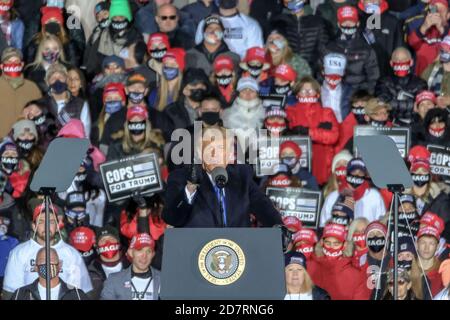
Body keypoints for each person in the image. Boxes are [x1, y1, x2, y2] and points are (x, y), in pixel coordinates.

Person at [163, 126, 282, 227]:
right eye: (210, 149)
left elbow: (263, 206)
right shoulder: (180, 177)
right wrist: (190, 188)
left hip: (239, 249)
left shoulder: (242, 175)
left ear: (230, 153)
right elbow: (172, 218)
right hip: (197, 250)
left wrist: (278, 226)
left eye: (221, 149)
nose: (214, 155)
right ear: (199, 153)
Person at [2, 203, 93, 299]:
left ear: (58, 226)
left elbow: (84, 292)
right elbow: (10, 294)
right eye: (41, 221)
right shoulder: (19, 253)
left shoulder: (72, 254)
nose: (46, 226)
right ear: (33, 226)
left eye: (51, 222)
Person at [287, 76, 339, 185]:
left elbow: (333, 137)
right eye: (303, 90)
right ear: (297, 94)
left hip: (322, 164)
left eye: (310, 90)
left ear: (318, 93)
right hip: (298, 163)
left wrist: (309, 132)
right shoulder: (290, 112)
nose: (307, 93)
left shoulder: (327, 113)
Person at [322, 5, 380, 95]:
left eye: (351, 22)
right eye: (344, 22)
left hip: (358, 96)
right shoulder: (329, 47)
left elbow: (373, 77)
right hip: (334, 94)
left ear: (357, 24)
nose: (348, 25)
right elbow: (320, 72)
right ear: (338, 24)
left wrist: (364, 96)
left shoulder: (366, 49)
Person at [307, 222, 371, 300]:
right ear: (321, 242)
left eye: (336, 244)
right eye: (328, 243)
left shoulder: (356, 274)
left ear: (344, 245)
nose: (331, 247)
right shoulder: (308, 267)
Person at [320, 158, 386, 227]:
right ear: (347, 174)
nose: (357, 175)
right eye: (353, 172)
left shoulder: (374, 196)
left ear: (365, 176)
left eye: (360, 173)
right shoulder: (333, 197)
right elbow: (323, 224)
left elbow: (381, 224)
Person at [270, 0, 329, 73]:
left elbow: (324, 52)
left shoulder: (318, 22)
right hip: (285, 73)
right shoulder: (278, 22)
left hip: (311, 75)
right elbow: (273, 52)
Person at [375, 47, 427, 126]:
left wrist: (393, 103)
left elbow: (422, 106)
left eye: (404, 59)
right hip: (390, 125)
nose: (400, 62)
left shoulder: (420, 83)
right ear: (391, 63)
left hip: (415, 126)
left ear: (411, 62)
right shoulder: (383, 81)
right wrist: (412, 105)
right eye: (397, 59)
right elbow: (383, 103)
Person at [194, 0, 264, 59]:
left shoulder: (250, 24)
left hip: (240, 70)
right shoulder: (205, 23)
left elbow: (255, 55)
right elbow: (200, 50)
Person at [12, 247, 89, 300]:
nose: (48, 265)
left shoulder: (77, 295)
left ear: (59, 265)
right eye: (43, 261)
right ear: (35, 267)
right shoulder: (21, 294)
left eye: (51, 261)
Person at [101, 233, 161, 300]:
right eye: (139, 250)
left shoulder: (163, 279)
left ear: (153, 255)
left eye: (148, 251)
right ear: (130, 252)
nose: (144, 256)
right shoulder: (114, 280)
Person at [37, 63, 92, 136]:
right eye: (53, 78)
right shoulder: (40, 105)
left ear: (66, 79)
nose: (57, 81)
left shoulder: (80, 104)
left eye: (61, 77)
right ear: (47, 82)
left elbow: (86, 134)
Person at [0, 47, 41, 138]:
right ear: (2, 66)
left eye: (16, 61)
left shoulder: (32, 87)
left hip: (26, 141)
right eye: (9, 62)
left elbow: (40, 114)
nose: (13, 65)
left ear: (22, 64)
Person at [163, 68, 210, 139]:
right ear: (184, 90)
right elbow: (169, 140)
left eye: (203, 84)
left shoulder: (213, 108)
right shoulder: (171, 112)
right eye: (194, 84)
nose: (199, 87)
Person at [407, 0, 450, 76]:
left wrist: (441, 29)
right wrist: (424, 27)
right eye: (435, 10)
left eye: (441, 11)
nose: (438, 14)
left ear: (448, 15)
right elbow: (412, 43)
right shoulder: (421, 27)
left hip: (445, 80)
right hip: (423, 77)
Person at [87, 226, 129, 300]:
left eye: (111, 239)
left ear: (118, 243)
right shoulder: (89, 273)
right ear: (96, 246)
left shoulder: (132, 266)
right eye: (103, 240)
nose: (107, 243)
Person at [320, 52, 353, 123]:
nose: (333, 77)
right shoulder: (316, 89)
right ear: (323, 71)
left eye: (337, 74)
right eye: (330, 73)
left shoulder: (349, 91)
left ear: (343, 73)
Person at [416, 225, 444, 297]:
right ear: (416, 245)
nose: (426, 248)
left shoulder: (443, 272)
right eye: (423, 243)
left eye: (431, 243)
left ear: (437, 247)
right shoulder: (405, 269)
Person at [421, 35, 450, 100]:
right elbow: (421, 88)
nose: (444, 50)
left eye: (448, 48)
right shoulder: (432, 68)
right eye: (442, 47)